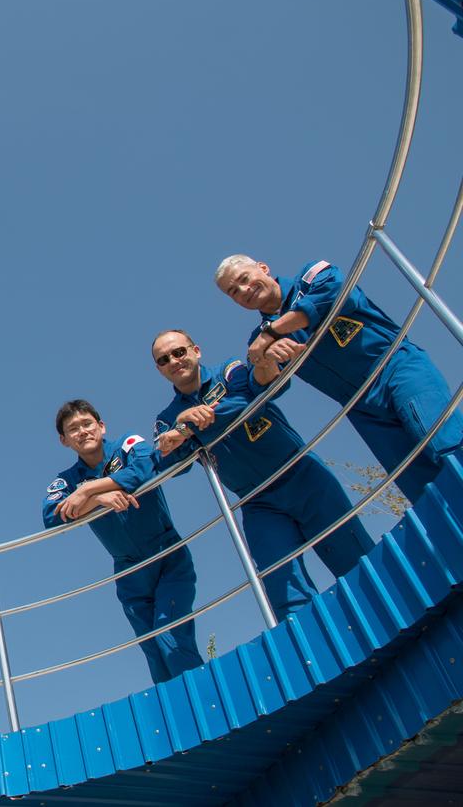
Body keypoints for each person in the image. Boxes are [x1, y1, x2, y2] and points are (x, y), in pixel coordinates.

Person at [152, 329, 374, 617]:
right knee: (283, 587)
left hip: (301, 475)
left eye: (179, 352)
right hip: (258, 503)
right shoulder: (167, 418)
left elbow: (249, 398)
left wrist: (191, 427)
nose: (174, 361)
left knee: (354, 557)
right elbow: (165, 462)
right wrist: (179, 428)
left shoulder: (230, 371)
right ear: (160, 370)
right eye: (164, 359)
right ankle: (317, 655)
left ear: (196, 350)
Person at [216, 255, 463, 503]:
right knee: (420, 485)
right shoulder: (259, 342)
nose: (244, 290)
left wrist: (272, 332)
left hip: (395, 367)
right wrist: (266, 360)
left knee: (444, 441)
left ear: (263, 268)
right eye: (233, 292)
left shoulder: (311, 276)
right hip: (361, 408)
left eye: (244, 279)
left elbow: (332, 295)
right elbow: (264, 386)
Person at [42, 400, 203, 683]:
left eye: (87, 424)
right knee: (153, 651)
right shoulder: (66, 480)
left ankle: (206, 706)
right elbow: (51, 515)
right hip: (128, 571)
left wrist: (89, 489)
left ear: (101, 427)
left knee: (171, 635)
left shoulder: (127, 445)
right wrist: (96, 499)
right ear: (64, 440)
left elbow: (144, 468)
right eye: (73, 429)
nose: (82, 432)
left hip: (166, 554)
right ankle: (178, 718)